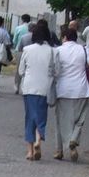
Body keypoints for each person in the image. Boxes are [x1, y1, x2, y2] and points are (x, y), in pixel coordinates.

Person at [50, 23, 89, 162]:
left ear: (64, 37)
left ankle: (59, 151)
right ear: (75, 38)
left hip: (62, 90)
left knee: (60, 121)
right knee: (79, 120)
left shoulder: (57, 51)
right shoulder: (84, 49)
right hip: (81, 90)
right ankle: (73, 139)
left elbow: (52, 70)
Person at [16, 19, 57, 160]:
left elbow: (21, 71)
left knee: (29, 117)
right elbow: (57, 71)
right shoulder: (53, 51)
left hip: (29, 87)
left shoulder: (27, 50)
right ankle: (39, 140)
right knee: (41, 116)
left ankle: (30, 151)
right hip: (44, 88)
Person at [10, 14, 32, 93]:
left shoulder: (18, 28)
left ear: (22, 20)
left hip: (19, 51)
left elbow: (14, 41)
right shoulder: (32, 28)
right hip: (30, 51)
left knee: (19, 69)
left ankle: (17, 85)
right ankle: (25, 86)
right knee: (28, 69)